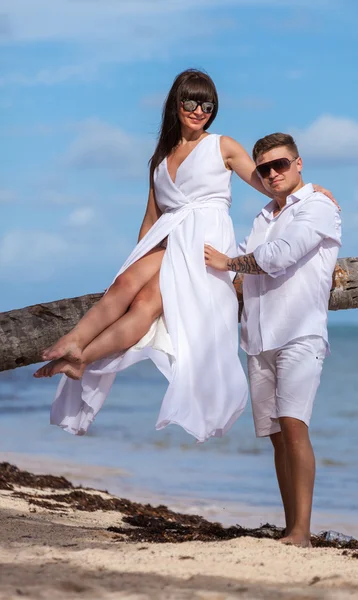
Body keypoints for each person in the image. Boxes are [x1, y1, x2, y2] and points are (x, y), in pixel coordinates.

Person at [33, 68, 273, 442]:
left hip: (203, 241)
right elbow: (150, 218)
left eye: (207, 104)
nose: (198, 110)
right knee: (131, 287)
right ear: (176, 104)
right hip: (166, 238)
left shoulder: (222, 145)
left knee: (144, 302)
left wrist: (304, 191)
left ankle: (81, 350)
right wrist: (139, 255)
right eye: (190, 102)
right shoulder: (159, 159)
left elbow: (265, 182)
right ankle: (78, 349)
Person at [204, 132, 341, 547]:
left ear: (298, 163)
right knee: (278, 437)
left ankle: (302, 532)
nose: (272, 173)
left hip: (300, 333)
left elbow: (279, 256)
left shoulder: (319, 206)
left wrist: (230, 262)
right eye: (263, 168)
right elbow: (242, 273)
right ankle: (290, 527)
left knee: (296, 427)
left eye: (280, 164)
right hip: (259, 338)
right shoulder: (263, 216)